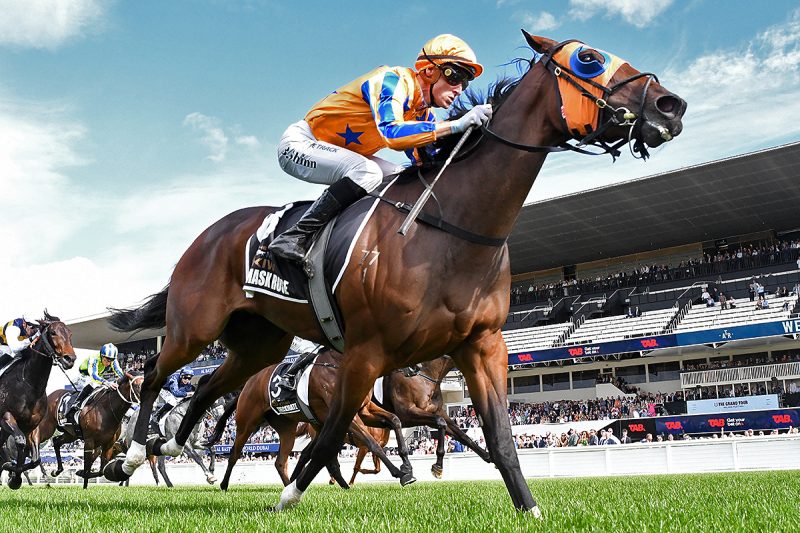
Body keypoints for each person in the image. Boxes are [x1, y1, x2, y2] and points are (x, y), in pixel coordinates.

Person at [262, 34, 490, 264]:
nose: (459, 89)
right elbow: (392, 133)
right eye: (456, 76)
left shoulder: (423, 114)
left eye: (466, 82)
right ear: (430, 71)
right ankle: (295, 236)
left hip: (345, 154)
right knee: (368, 172)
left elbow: (425, 163)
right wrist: (455, 125)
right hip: (301, 143)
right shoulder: (392, 81)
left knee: (400, 178)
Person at [66, 343, 124, 422]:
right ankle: (76, 404)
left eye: (111, 361)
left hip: (98, 376)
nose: (109, 363)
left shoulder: (112, 360)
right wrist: (107, 383)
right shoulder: (94, 358)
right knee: (93, 384)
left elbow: (119, 372)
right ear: (101, 356)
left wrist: (126, 380)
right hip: (85, 376)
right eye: (107, 360)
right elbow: (93, 376)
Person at [150, 366, 196, 433]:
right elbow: (176, 393)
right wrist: (188, 394)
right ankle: (156, 415)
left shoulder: (188, 383)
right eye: (185, 377)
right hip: (164, 389)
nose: (187, 380)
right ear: (181, 376)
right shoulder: (174, 378)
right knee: (172, 401)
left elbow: (188, 395)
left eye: (189, 378)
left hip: (174, 391)